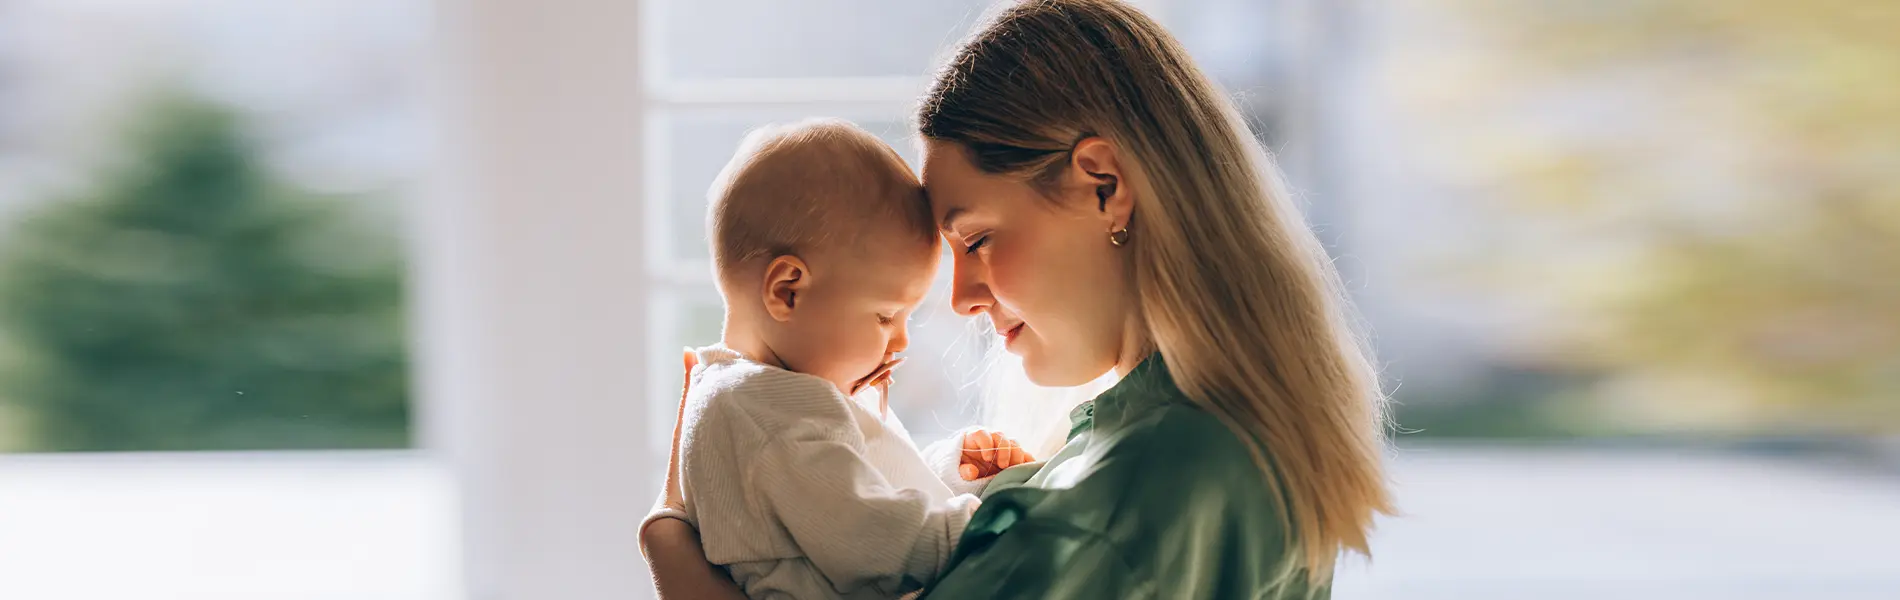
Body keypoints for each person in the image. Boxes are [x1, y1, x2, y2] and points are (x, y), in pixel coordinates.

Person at [643, 1, 1394, 598]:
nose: (962, 299)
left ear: (1103, 185)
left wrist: (673, 553)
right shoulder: (1227, 444)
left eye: (977, 241)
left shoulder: (1116, 504)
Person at [655, 119, 1037, 599]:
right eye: (885, 317)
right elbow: (881, 546)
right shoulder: (766, 413)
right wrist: (1001, 524)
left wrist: (949, 473)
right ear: (787, 291)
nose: (900, 343)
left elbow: (850, 501)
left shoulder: (758, 396)